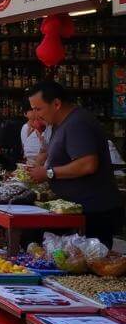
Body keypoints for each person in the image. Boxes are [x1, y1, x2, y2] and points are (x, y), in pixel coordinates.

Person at [27, 80, 122, 247]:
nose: (35, 114)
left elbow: (87, 164)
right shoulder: (60, 124)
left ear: (56, 103)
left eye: (38, 109)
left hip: (92, 212)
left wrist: (49, 172)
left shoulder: (77, 123)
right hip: (77, 210)